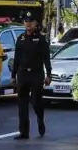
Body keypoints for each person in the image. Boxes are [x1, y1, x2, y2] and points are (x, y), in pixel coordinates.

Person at [11, 12, 52, 140]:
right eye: (26, 22)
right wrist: (13, 75)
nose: (28, 24)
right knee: (22, 104)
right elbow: (16, 58)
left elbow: (46, 58)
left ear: (36, 24)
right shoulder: (21, 39)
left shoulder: (41, 39)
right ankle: (24, 131)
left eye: (31, 22)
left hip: (36, 73)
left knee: (36, 101)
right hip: (23, 74)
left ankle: (40, 119)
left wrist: (49, 74)